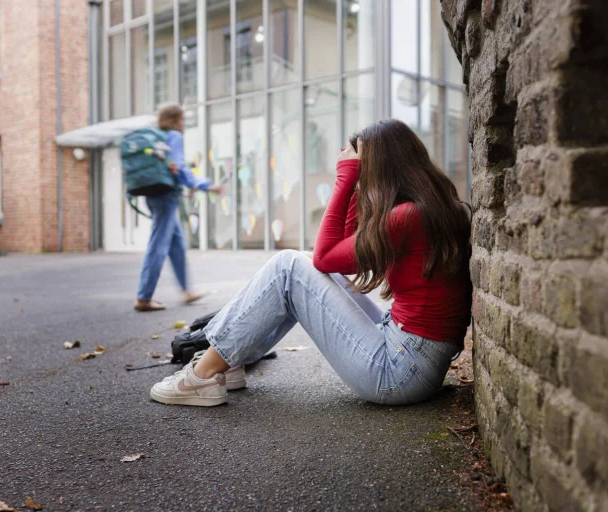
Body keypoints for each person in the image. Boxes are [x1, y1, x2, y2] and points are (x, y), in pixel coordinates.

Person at [150, 119, 472, 406]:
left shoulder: (406, 217)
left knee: (289, 267)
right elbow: (339, 263)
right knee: (302, 264)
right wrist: (357, 188)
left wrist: (346, 180)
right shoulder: (430, 207)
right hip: (413, 359)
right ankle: (229, 361)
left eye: (363, 166)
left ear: (379, 168)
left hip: (399, 371)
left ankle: (203, 376)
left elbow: (326, 255)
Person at [134, 103, 221, 312]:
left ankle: (186, 291)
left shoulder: (158, 137)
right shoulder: (173, 136)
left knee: (177, 244)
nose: (183, 124)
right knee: (158, 245)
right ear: (175, 120)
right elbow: (178, 167)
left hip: (155, 194)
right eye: (182, 120)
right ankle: (144, 297)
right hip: (165, 197)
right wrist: (203, 185)